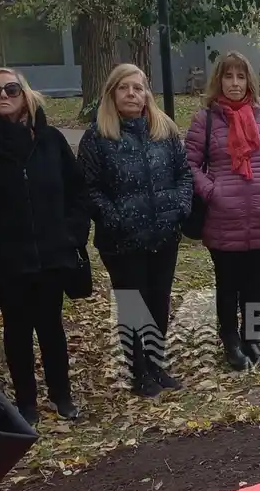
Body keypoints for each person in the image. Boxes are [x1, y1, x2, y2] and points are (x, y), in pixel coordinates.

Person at [0, 68, 90, 424]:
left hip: (53, 250)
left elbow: (77, 191)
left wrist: (71, 233)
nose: (4, 95)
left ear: (26, 95)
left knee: (52, 326)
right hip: (6, 256)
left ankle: (61, 394)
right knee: (17, 327)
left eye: (12, 89)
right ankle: (26, 400)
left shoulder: (50, 139)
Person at [78, 63, 192, 397]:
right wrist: (113, 218)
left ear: (146, 94)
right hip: (122, 240)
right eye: (124, 88)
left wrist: (180, 207)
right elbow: (87, 188)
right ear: (112, 93)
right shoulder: (97, 136)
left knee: (159, 303)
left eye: (138, 88)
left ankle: (157, 365)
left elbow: (183, 174)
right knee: (133, 305)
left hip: (163, 233)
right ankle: (138, 370)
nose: (131, 94)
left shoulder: (164, 131)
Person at [186, 53, 260, 370]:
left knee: (256, 282)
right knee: (228, 284)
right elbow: (189, 164)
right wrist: (211, 191)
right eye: (228, 77)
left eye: (241, 77)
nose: (235, 83)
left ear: (250, 81)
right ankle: (230, 340)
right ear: (219, 80)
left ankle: (252, 338)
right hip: (224, 218)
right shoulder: (205, 119)